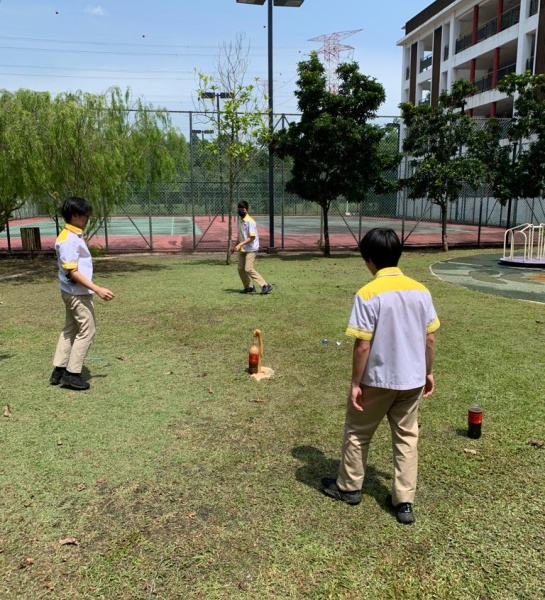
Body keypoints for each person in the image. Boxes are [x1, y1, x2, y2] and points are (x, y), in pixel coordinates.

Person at [322, 228, 440, 524]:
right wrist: (428, 372)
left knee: (358, 433)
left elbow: (363, 345)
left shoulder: (367, 293)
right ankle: (404, 501)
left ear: (369, 260)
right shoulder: (421, 290)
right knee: (406, 438)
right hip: (412, 380)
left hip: (376, 380)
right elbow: (430, 339)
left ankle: (349, 487)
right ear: (398, 255)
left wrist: (354, 383)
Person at [49, 197, 115, 391]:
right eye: (85, 215)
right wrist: (97, 288)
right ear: (74, 215)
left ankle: (59, 370)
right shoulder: (68, 239)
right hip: (77, 293)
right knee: (88, 330)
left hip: (70, 292)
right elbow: (73, 271)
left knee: (70, 329)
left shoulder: (71, 235)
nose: (87, 218)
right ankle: (72, 373)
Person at [234, 201, 272, 295]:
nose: (240, 211)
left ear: (247, 210)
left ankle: (265, 285)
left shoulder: (250, 221)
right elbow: (240, 235)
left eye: (242, 209)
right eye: (239, 209)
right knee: (240, 268)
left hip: (251, 248)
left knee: (248, 268)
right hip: (243, 248)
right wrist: (236, 245)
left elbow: (252, 237)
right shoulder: (240, 221)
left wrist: (240, 244)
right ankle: (249, 287)